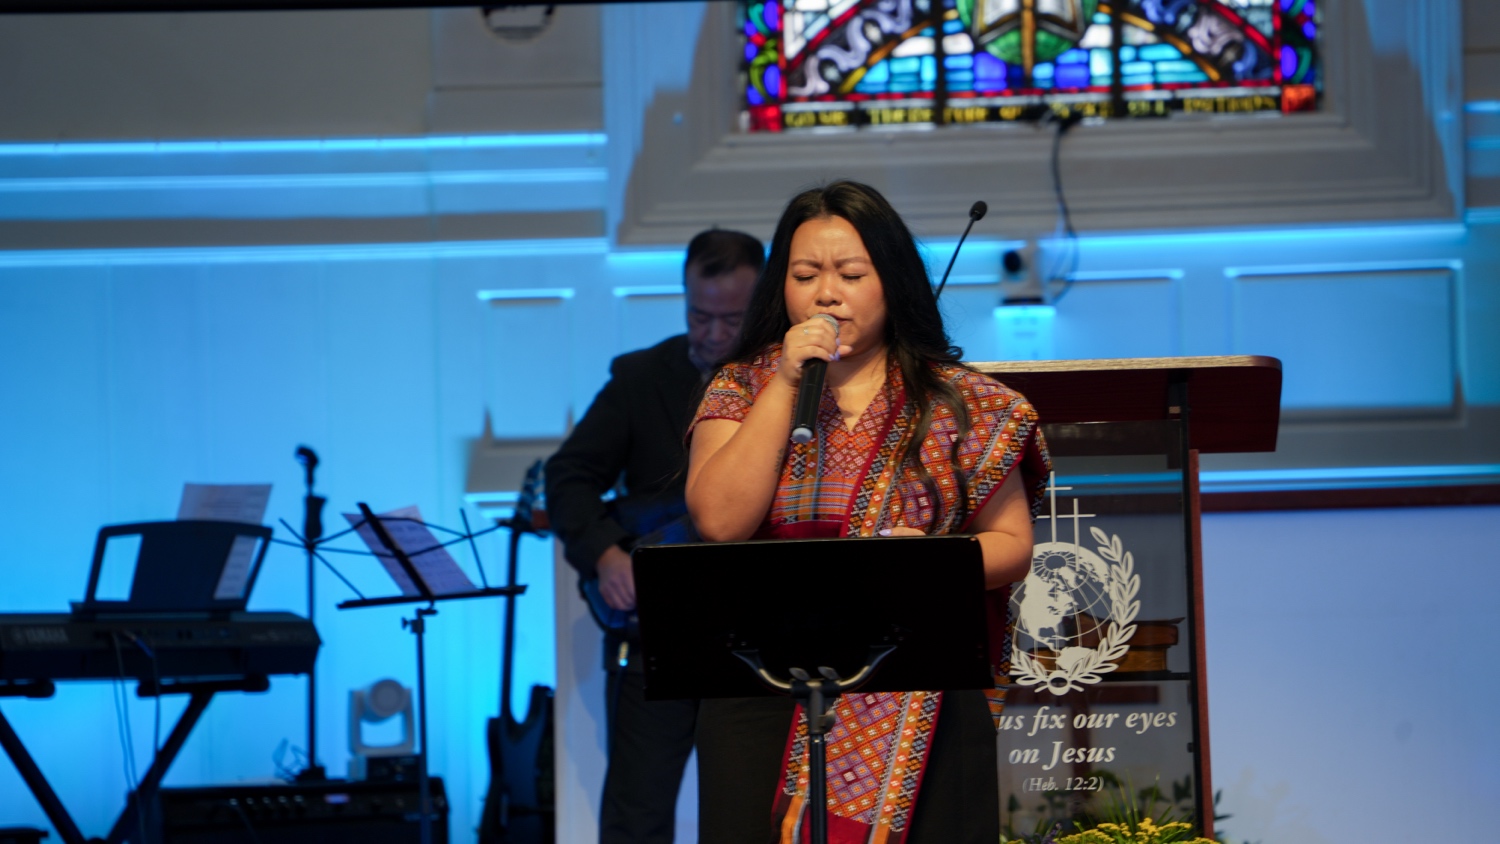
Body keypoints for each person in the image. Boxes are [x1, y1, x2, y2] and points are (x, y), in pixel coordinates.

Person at [684, 181, 1051, 844]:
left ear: (892, 281)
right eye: (805, 275)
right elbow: (719, 522)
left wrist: (935, 563)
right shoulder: (740, 387)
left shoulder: (962, 403)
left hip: (918, 696)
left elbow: (1012, 543)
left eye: (851, 274)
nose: (826, 294)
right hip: (762, 693)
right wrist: (785, 383)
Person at [546, 228, 764, 844]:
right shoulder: (641, 377)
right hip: (658, 635)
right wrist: (604, 553)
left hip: (758, 633)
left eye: (732, 319)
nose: (713, 335)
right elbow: (568, 475)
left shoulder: (790, 380)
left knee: (754, 815)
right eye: (699, 315)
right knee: (637, 816)